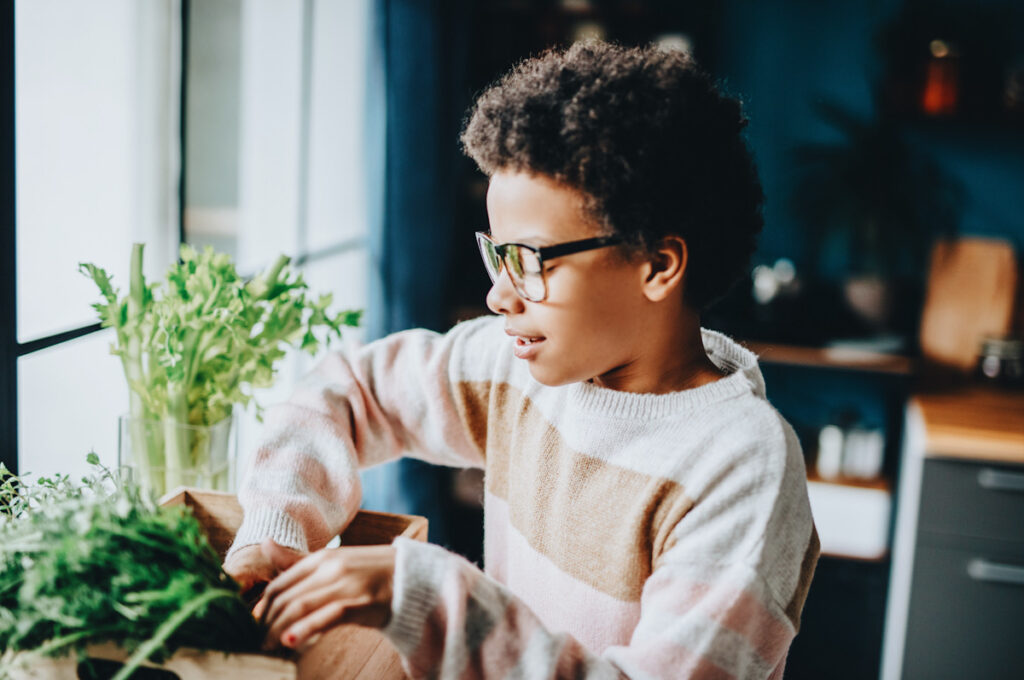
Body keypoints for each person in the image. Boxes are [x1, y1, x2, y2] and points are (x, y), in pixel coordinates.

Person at [224, 40, 819, 679]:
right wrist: (277, 525)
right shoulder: (515, 370)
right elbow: (350, 389)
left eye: (530, 261)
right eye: (496, 254)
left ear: (657, 264)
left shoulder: (743, 470)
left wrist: (427, 596)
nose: (497, 295)